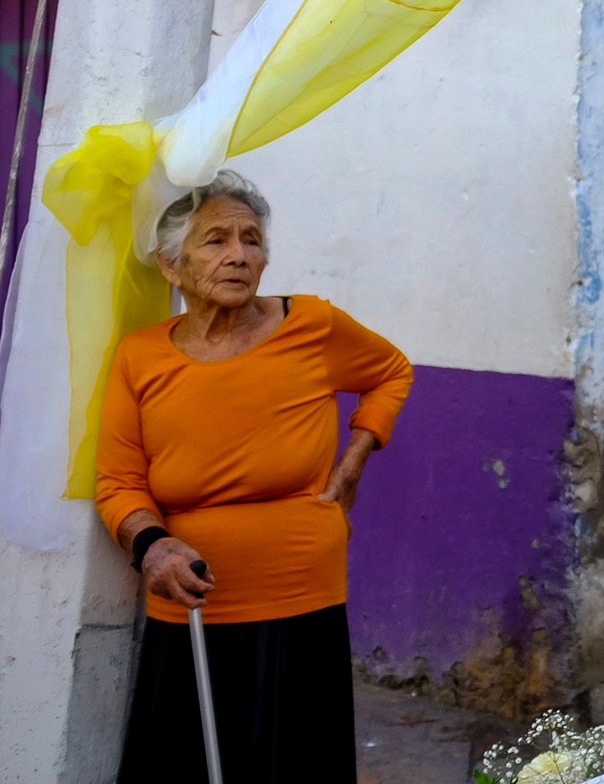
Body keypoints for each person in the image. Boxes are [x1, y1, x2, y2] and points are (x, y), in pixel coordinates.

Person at [95, 170, 412, 783]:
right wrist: (150, 546)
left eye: (251, 239)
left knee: (293, 758)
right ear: (170, 265)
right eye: (216, 240)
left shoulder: (312, 325)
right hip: (190, 598)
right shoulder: (141, 356)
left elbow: (391, 370)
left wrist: (356, 456)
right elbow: (118, 481)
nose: (239, 255)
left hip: (302, 590)